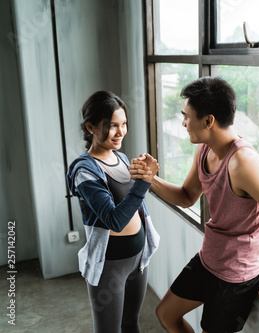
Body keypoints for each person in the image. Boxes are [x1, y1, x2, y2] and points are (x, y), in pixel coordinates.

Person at [130, 77, 259, 333]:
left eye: (186, 116)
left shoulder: (243, 163)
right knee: (166, 314)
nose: (183, 123)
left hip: (237, 274)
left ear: (208, 121)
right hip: (209, 259)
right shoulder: (204, 150)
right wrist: (150, 179)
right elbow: (186, 196)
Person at [66, 90, 160, 333]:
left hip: (139, 259)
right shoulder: (84, 171)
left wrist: (141, 176)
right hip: (111, 265)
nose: (121, 132)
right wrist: (144, 182)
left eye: (124, 124)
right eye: (111, 126)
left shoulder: (121, 158)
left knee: (131, 324)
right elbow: (114, 220)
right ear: (90, 126)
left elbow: (135, 205)